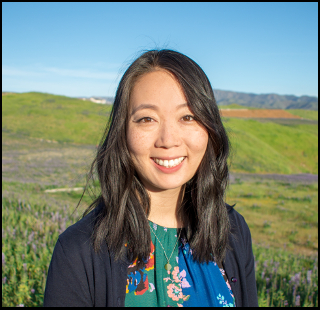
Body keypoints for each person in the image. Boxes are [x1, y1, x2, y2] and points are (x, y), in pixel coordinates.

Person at [44, 49, 258, 307]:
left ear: (209, 129)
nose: (168, 140)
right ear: (122, 132)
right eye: (147, 119)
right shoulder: (79, 251)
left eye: (188, 117)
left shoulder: (232, 231)